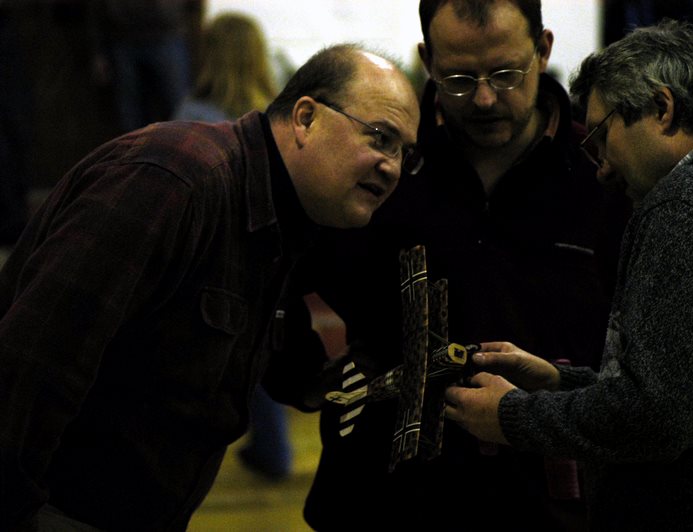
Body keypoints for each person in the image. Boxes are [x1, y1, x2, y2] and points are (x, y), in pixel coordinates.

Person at [0, 43, 420, 531]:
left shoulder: (286, 220)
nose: (392, 167)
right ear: (306, 118)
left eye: (403, 153)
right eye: (380, 137)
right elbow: (31, 365)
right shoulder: (173, 180)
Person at [281, 1, 630, 530]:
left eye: (506, 74)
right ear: (427, 60)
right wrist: (296, 371)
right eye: (460, 78)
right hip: (381, 495)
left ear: (544, 49)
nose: (486, 98)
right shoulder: (381, 160)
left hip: (551, 501)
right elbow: (275, 270)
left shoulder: (604, 172)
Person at [444, 19, 693, 531]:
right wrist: (560, 382)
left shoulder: (688, 207)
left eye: (602, 136)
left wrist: (512, 416)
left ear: (662, 108)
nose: (601, 168)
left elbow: (658, 419)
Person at [171, 11, 292, 482]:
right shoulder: (284, 115)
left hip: (211, 262)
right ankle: (275, 452)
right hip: (274, 259)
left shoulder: (193, 114)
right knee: (257, 363)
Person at [88, 0, 200, 133]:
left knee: (180, 112)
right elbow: (95, 8)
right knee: (131, 118)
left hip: (166, 36)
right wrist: (98, 51)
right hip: (122, 39)